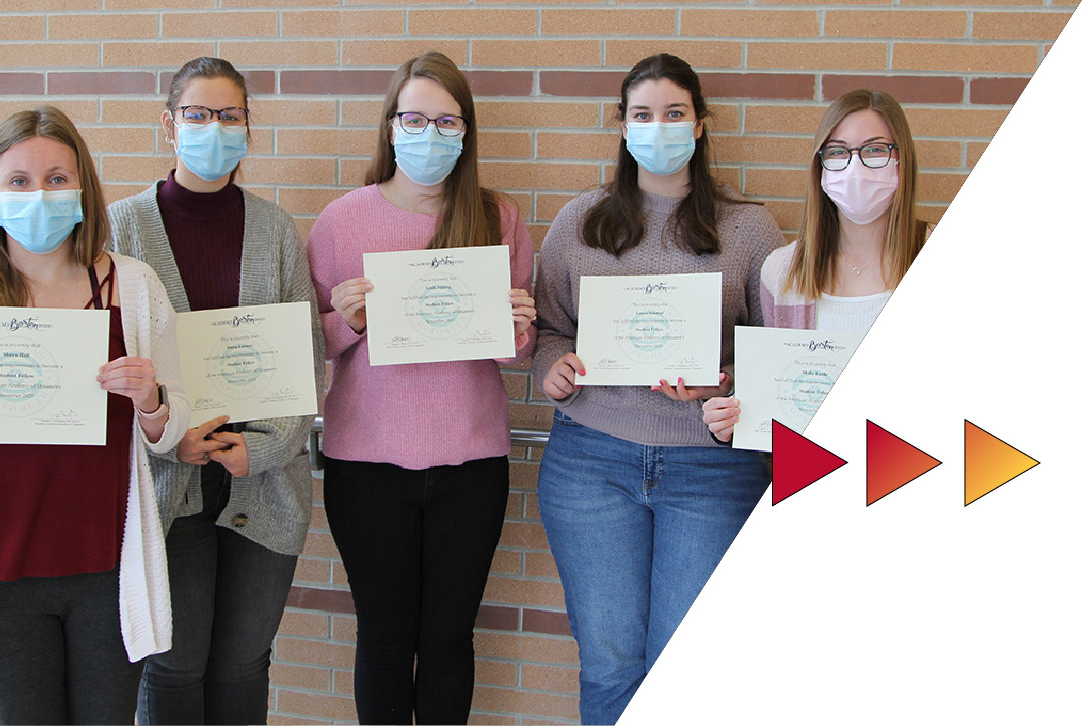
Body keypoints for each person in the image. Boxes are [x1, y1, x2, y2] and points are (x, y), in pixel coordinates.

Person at [0, 106, 188, 724]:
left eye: (56, 178)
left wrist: (152, 401)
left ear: (82, 190)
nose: (38, 194)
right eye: (18, 181)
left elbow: (169, 432)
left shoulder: (133, 287)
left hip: (106, 566)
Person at [531, 53, 783, 724]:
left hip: (709, 468)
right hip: (590, 463)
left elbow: (779, 358)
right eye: (642, 115)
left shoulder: (750, 229)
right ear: (621, 125)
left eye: (674, 114)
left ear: (700, 125)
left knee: (685, 665)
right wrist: (550, 367)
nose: (658, 127)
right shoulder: (577, 222)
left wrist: (722, 384)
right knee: (610, 663)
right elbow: (550, 329)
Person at [306, 51, 536, 724]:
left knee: (446, 640)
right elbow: (306, 345)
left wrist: (519, 328)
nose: (428, 133)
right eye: (414, 117)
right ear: (389, 125)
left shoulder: (498, 219)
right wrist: (344, 323)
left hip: (471, 465)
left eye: (445, 120)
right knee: (382, 639)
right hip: (365, 465)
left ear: (465, 132)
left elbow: (515, 357)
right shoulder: (342, 219)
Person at [107, 57, 324, 726]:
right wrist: (171, 436)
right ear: (168, 124)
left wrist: (256, 451)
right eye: (197, 114)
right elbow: (109, 363)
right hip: (163, 485)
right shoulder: (120, 232)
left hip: (260, 479)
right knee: (173, 667)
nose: (213, 127)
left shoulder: (274, 229)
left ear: (247, 127)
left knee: (242, 663)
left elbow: (305, 360)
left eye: (229, 115)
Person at [702, 88, 930, 442]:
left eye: (874, 149)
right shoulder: (782, 272)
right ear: (820, 165)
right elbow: (776, 395)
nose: (854, 166)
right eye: (838, 152)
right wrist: (731, 419)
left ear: (902, 159)